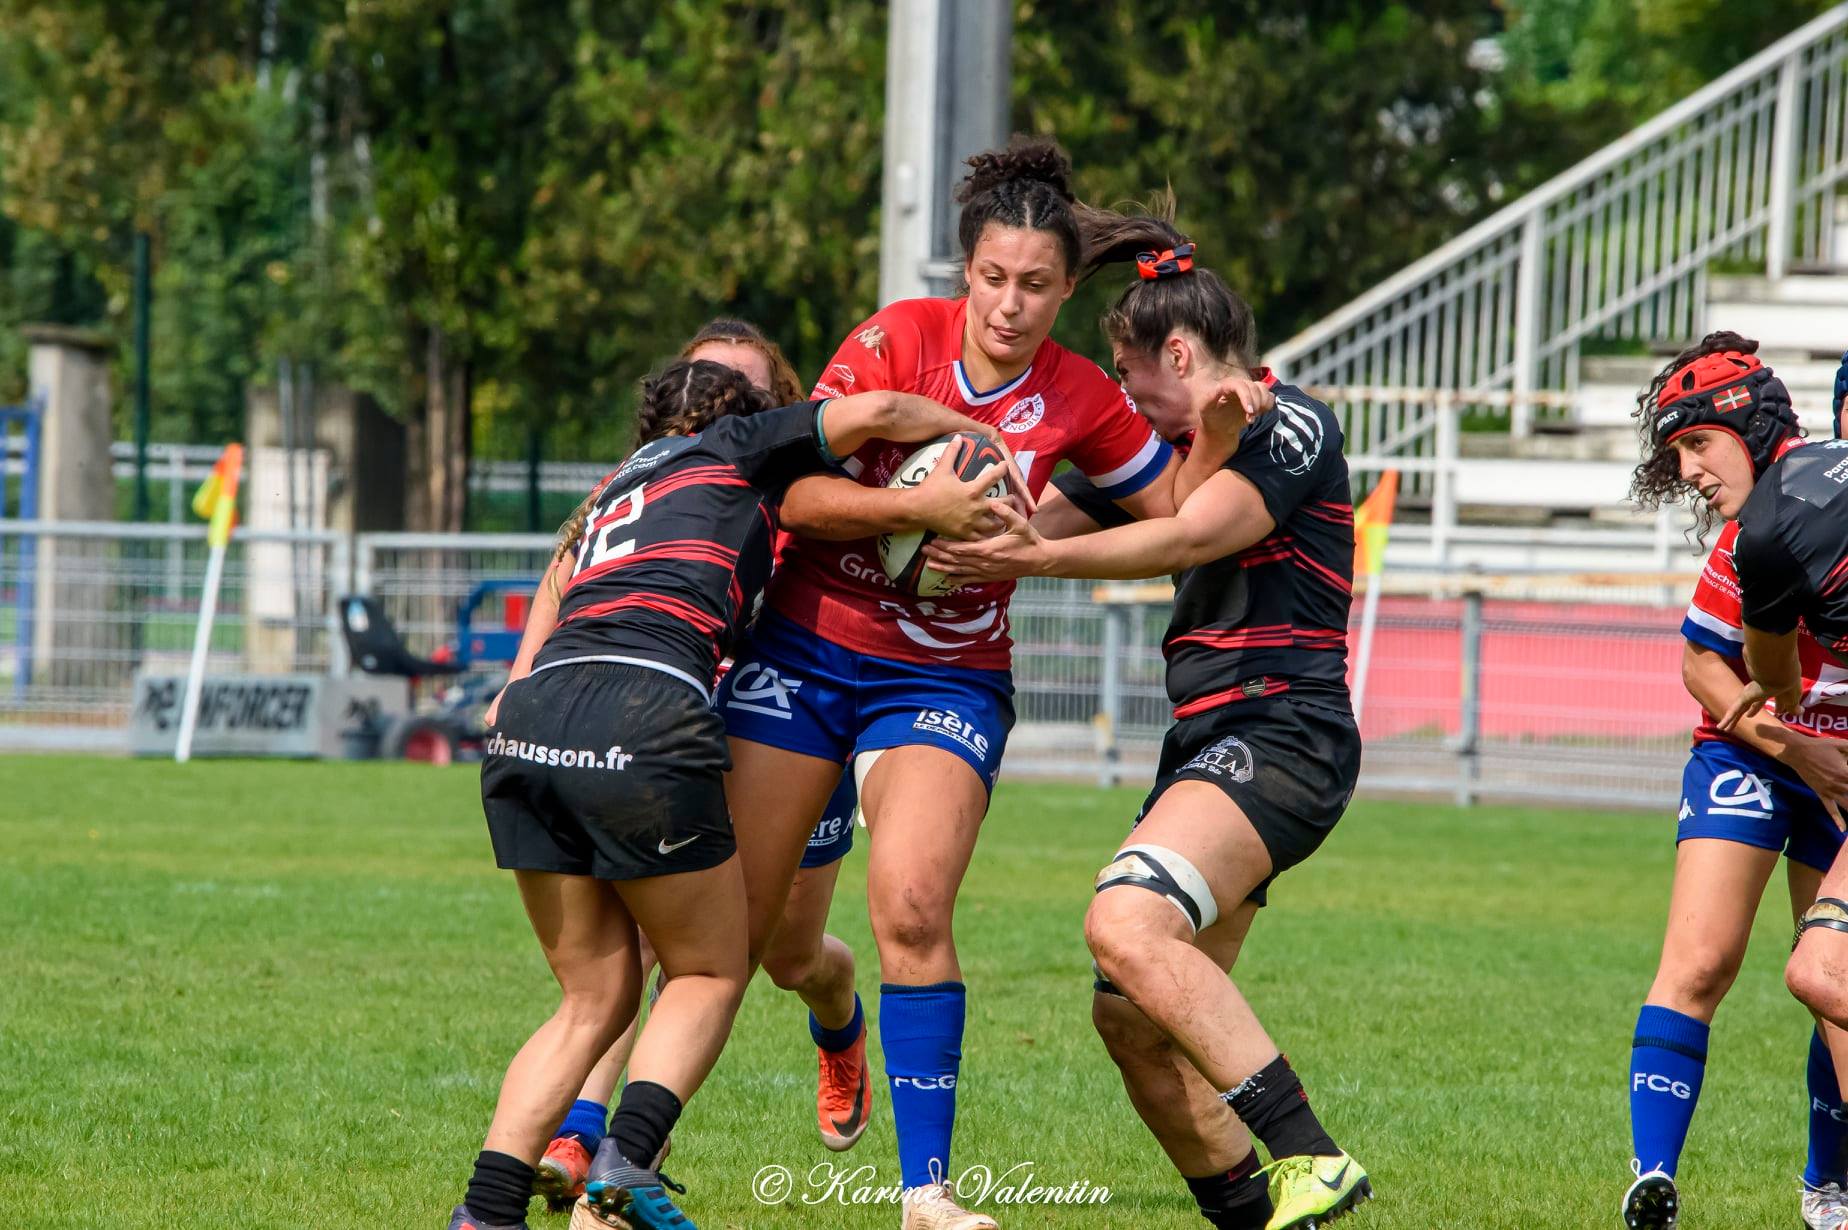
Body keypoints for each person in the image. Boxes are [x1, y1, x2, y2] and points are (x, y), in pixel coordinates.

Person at [714, 137, 1235, 1230]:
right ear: (967, 274)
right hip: (806, 651)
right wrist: (920, 510)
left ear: (1064, 290)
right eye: (993, 279)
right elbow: (795, 498)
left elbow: (1177, 522)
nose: (1010, 305)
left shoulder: (1082, 396)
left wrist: (1222, 421)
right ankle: (832, 1011)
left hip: (944, 676)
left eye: (1037, 286)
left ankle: (927, 1197)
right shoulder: (894, 340)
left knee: (911, 905)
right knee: (761, 939)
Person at [446, 360, 1012, 1230]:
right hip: (643, 708)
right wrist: (977, 438)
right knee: (711, 965)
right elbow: (886, 408)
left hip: (530, 721)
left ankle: (485, 1213)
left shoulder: (610, 490)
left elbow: (563, 589)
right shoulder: (738, 447)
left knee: (591, 998)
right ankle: (628, 1158)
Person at [927, 217, 1371, 1230]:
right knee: (1129, 1018)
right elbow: (1035, 524)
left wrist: (1034, 564)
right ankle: (1256, 1220)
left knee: (1124, 919)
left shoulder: (1290, 420)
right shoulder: (1165, 447)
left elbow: (1191, 530)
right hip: (1209, 744)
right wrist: (926, 508)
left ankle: (1311, 1155)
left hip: (1283, 730)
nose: (1122, 402)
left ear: (1179, 354)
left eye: (1129, 378)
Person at [534, 320, 875, 1208]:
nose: (716, 398)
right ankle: (594, 1140)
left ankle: (839, 1022)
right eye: (704, 378)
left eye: (742, 387)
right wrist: (523, 675)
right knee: (648, 944)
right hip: (656, 723)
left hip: (784, 727)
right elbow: (565, 566)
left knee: (786, 954)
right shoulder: (647, 478)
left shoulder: (798, 475)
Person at [1625, 333, 1848, 1230]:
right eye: (1677, 453)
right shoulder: (1748, 539)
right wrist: (1798, 749)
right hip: (1757, 757)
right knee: (1702, 959)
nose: (1688, 470)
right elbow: (1704, 668)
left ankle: (1826, 1186)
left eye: (1699, 444)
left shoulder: (1808, 498)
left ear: (1754, 427)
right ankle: (1652, 1179)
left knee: (1829, 973)